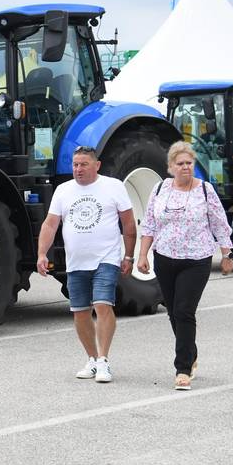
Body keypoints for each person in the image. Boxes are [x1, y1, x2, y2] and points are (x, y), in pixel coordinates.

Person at [137, 141, 233, 391]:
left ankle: (182, 369)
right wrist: (143, 255)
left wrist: (226, 254)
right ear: (171, 167)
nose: (185, 167)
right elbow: (149, 224)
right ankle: (191, 353)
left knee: (184, 310)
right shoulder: (160, 189)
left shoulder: (205, 191)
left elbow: (219, 223)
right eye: (180, 164)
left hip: (196, 259)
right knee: (173, 312)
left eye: (189, 163)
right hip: (164, 257)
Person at [37, 145, 137, 383]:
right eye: (75, 165)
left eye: (84, 164)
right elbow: (50, 225)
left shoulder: (114, 187)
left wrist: (129, 256)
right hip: (76, 262)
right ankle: (92, 359)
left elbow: (129, 224)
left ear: (97, 165)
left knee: (102, 304)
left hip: (107, 258)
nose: (78, 169)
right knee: (80, 312)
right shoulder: (63, 190)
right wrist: (42, 253)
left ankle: (103, 360)